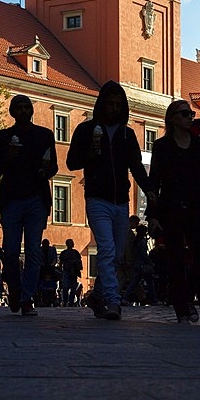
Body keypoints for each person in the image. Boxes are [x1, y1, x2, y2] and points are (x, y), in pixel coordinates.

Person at [66, 80, 151, 321]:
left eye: (117, 104)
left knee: (115, 255)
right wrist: (89, 155)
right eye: (109, 103)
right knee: (106, 248)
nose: (113, 108)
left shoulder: (127, 133)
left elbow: (136, 167)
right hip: (97, 198)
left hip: (121, 201)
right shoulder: (85, 130)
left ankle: (97, 294)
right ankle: (114, 301)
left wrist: (150, 190)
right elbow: (72, 162)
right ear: (101, 104)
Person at [147, 99, 200, 325]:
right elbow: (154, 183)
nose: (190, 117)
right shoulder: (162, 147)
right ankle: (182, 307)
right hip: (172, 210)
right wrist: (153, 216)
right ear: (172, 119)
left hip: (199, 209)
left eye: (190, 114)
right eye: (185, 114)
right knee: (176, 261)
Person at [0, 94, 58, 316]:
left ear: (31, 111)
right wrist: (7, 157)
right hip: (11, 199)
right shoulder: (2, 137)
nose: (22, 111)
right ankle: (16, 289)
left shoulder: (45, 135)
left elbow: (54, 167)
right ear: (11, 112)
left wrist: (46, 170)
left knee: (33, 251)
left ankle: (27, 297)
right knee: (10, 251)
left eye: (26, 107)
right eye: (17, 107)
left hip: (36, 199)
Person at [122, 224, 158, 305]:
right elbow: (144, 255)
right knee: (150, 283)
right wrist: (151, 263)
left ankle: (125, 298)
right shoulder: (143, 241)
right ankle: (154, 300)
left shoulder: (135, 241)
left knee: (134, 283)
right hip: (143, 265)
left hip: (136, 264)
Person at [59, 239, 83, 306]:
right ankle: (66, 301)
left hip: (74, 272)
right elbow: (61, 262)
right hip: (66, 271)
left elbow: (79, 262)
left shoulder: (75, 253)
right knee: (65, 287)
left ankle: (71, 302)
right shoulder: (64, 253)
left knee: (72, 288)